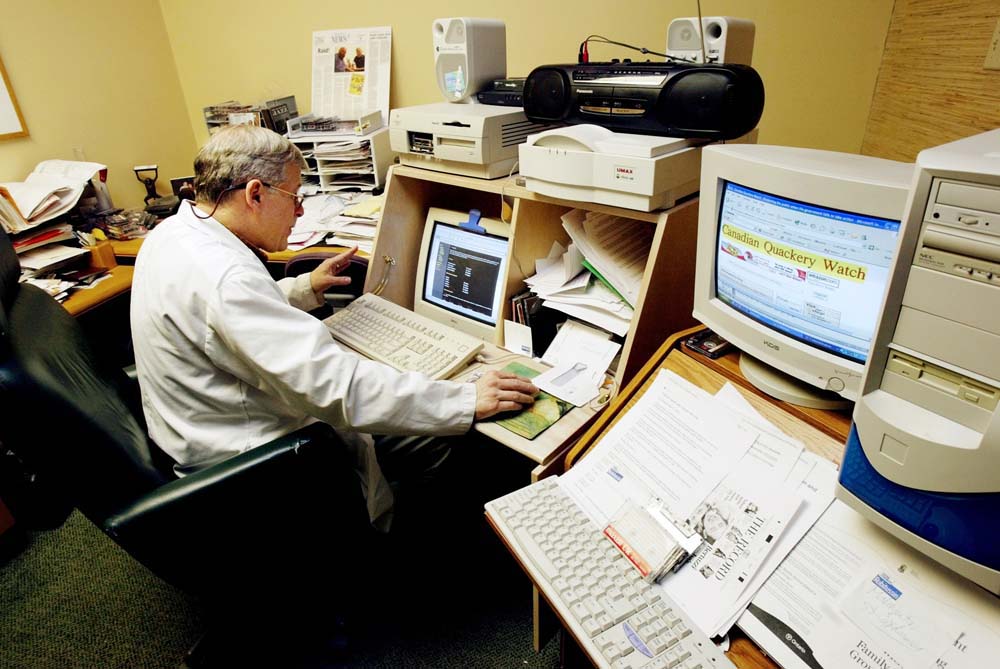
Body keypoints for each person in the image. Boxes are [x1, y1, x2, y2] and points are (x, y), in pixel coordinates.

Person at [130, 125, 538, 533]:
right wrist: (465, 401)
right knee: (445, 439)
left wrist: (303, 288)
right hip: (263, 468)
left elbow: (223, 317)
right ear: (254, 194)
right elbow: (338, 388)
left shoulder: (174, 234)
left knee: (406, 412)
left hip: (200, 437)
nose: (302, 211)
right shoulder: (227, 277)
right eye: (295, 197)